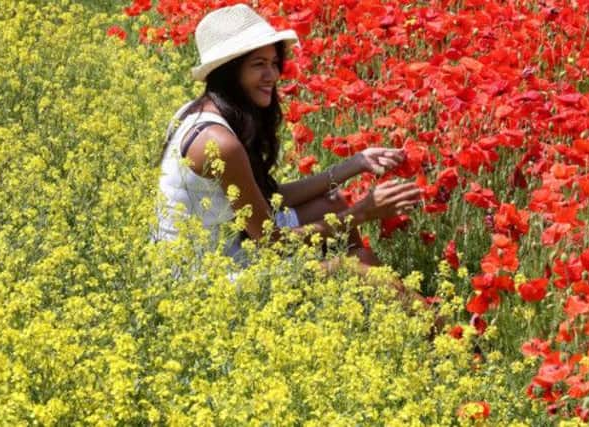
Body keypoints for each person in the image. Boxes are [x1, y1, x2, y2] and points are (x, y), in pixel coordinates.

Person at [156, 4, 424, 298]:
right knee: (355, 267)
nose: (271, 74)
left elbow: (265, 198)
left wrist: (356, 163)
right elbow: (270, 244)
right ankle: (438, 331)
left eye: (273, 62)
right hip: (204, 282)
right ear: (230, 72)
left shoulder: (199, 111)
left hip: (228, 244)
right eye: (258, 64)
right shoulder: (219, 143)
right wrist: (362, 213)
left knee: (331, 204)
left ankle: (383, 306)